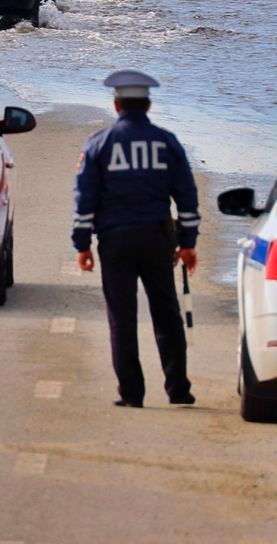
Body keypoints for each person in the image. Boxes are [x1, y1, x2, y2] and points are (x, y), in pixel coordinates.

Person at [72, 70, 200, 408]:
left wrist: (82, 244)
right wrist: (188, 242)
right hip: (157, 240)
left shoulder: (99, 144)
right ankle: (178, 390)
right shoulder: (167, 142)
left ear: (116, 106)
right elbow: (186, 196)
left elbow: (85, 198)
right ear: (148, 104)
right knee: (167, 315)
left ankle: (131, 393)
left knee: (122, 317)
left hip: (114, 242)